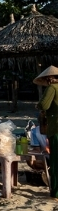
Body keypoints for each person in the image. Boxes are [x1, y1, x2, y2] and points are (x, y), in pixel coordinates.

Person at [34, 65, 58, 200]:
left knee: (55, 161)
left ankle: (56, 192)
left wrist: (38, 106)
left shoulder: (52, 88)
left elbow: (44, 105)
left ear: (49, 78)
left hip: (56, 127)